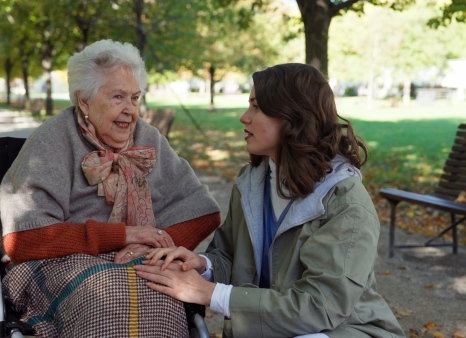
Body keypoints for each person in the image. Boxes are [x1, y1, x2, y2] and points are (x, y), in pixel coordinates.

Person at [134, 63, 406, 338]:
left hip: (344, 330)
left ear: (293, 117)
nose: (244, 117)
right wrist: (204, 266)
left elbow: (319, 307)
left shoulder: (344, 202)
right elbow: (229, 255)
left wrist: (211, 293)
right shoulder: (251, 182)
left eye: (257, 107)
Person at [0, 39, 221, 337]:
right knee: (102, 298)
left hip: (137, 259)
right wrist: (123, 235)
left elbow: (203, 211)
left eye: (135, 98)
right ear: (84, 100)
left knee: (161, 292)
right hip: (60, 260)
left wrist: (159, 243)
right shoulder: (51, 141)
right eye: (118, 97)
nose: (130, 110)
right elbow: (21, 239)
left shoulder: (148, 138)